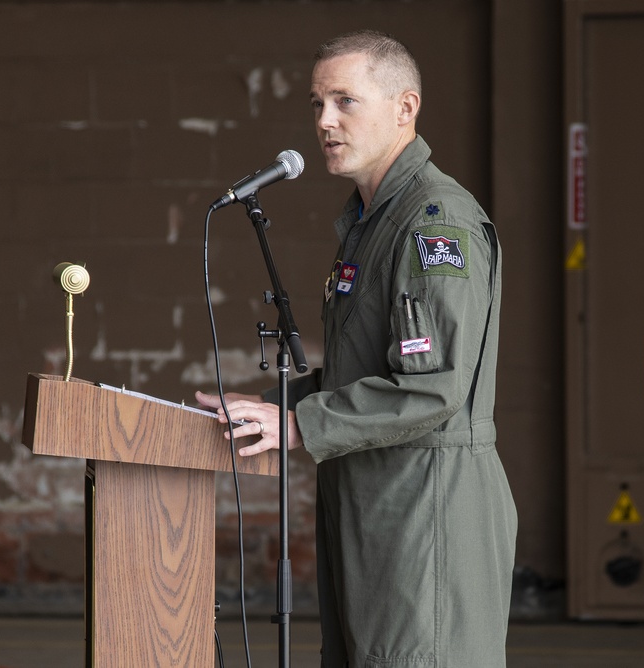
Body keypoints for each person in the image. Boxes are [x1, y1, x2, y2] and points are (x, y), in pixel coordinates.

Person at [196, 29, 517, 668]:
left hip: (426, 509)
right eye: (317, 104)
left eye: (345, 101)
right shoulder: (369, 224)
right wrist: (267, 407)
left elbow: (433, 386)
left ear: (406, 107)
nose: (325, 121)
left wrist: (297, 425)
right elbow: (363, 370)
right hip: (368, 505)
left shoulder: (436, 222)